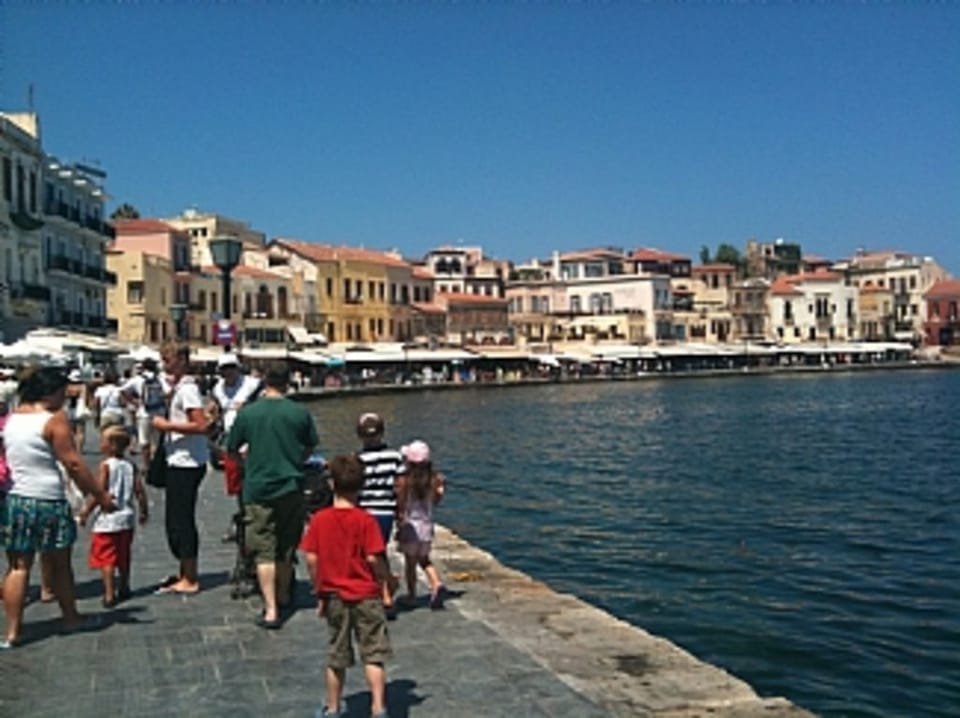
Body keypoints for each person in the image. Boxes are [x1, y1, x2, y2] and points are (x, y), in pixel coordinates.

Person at [0, 365, 116, 648]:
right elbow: (73, 463)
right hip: (48, 498)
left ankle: (13, 632)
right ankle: (71, 618)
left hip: (16, 498)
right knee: (60, 565)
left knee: (18, 566)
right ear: (50, 393)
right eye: (62, 393)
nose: (65, 399)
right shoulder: (53, 420)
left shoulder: (12, 418)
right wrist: (99, 495)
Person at [301, 454, 395, 718]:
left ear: (332, 484)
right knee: (373, 653)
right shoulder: (366, 520)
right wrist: (385, 579)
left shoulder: (319, 520)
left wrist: (318, 588)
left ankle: (332, 708)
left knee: (336, 655)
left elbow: (311, 559)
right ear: (361, 486)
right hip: (366, 595)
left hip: (334, 595)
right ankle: (378, 707)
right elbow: (373, 558)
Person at [225, 363, 317, 628]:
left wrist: (247, 466)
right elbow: (310, 446)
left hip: (258, 487)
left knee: (263, 549)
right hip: (291, 485)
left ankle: (271, 609)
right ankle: (284, 594)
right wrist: (295, 461)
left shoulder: (248, 413)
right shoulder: (299, 412)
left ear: (265, 381)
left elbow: (231, 449)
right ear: (288, 382)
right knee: (286, 546)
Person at [152, 342, 210, 595]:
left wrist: (167, 426)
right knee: (176, 518)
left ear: (182, 361)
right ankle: (185, 571)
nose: (165, 365)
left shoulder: (188, 389)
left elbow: (200, 425)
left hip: (186, 462)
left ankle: (190, 577)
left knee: (181, 520)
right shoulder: (181, 388)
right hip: (179, 459)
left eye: (168, 360)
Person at [78, 426, 147, 607]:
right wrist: (144, 510)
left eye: (103, 441)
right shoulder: (130, 465)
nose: (100, 445)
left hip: (107, 520)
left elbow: (99, 491)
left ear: (112, 445)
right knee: (123, 554)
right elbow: (139, 490)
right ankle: (124, 586)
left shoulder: (106, 466)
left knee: (107, 557)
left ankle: (109, 593)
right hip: (127, 518)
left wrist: (85, 511)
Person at [355, 412, 403, 617]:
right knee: (378, 551)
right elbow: (400, 486)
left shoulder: (358, 459)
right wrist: (400, 512)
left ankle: (384, 594)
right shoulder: (395, 457)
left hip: (365, 511)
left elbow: (355, 489)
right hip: (386, 511)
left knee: (370, 554)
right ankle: (385, 589)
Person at [211, 353, 262, 539]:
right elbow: (217, 410)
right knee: (236, 483)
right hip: (231, 439)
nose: (228, 373)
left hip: (252, 438)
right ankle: (243, 516)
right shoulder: (218, 389)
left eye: (231, 368)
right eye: (224, 369)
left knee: (254, 479)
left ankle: (255, 516)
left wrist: (249, 407)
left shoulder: (252, 385)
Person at [395, 440, 446, 610]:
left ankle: (412, 596)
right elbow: (436, 500)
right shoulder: (433, 480)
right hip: (427, 527)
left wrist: (399, 522)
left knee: (410, 564)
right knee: (424, 559)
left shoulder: (405, 481)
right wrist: (441, 488)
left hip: (411, 527)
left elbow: (401, 504)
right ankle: (436, 583)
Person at [120, 358, 169, 470]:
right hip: (159, 413)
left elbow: (122, 390)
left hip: (143, 413)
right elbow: (168, 392)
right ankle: (156, 465)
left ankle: (147, 466)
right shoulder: (160, 379)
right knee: (156, 442)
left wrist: (134, 402)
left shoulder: (137, 379)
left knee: (144, 442)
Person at [64, 369, 90, 453]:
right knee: (81, 431)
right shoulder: (83, 387)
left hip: (70, 409)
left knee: (71, 431)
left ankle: (72, 448)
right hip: (80, 409)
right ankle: (79, 450)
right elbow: (85, 399)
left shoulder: (67, 387)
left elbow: (64, 397)